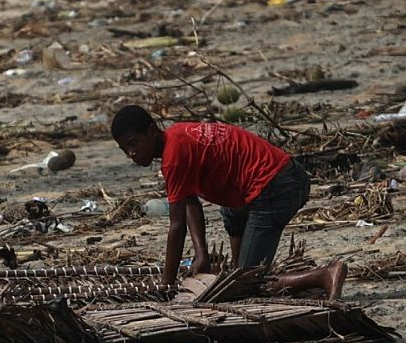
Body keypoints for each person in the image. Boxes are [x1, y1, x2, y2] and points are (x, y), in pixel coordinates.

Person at [110, 105, 347, 300]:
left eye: (134, 144)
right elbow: (190, 201)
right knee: (231, 215)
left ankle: (324, 275)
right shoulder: (177, 135)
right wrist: (201, 253)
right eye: (124, 149)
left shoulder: (173, 156)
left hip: (277, 185)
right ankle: (241, 269)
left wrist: (166, 285)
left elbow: (177, 226)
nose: (131, 154)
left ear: (152, 131)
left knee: (248, 284)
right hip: (268, 182)